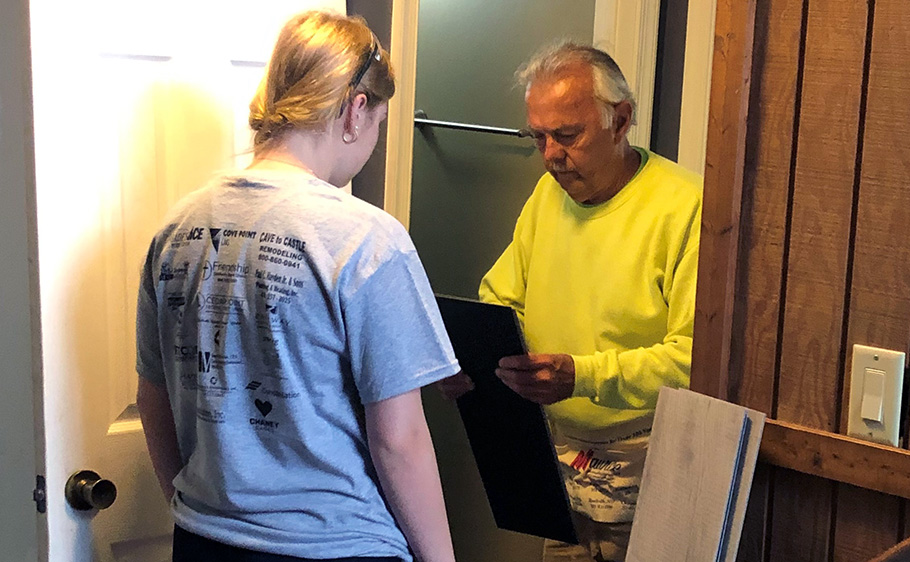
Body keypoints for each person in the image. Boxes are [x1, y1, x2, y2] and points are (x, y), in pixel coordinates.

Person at [136, 11, 458, 562]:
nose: (372, 140)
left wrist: (196, 509)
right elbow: (398, 440)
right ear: (356, 112)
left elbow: (153, 398)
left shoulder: (177, 230)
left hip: (204, 541)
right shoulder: (366, 240)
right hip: (336, 546)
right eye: (379, 123)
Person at [439, 42, 702, 562]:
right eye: (538, 137)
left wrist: (582, 376)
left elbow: (697, 359)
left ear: (620, 120)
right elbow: (502, 300)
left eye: (567, 135)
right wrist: (471, 359)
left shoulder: (687, 205)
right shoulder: (548, 195)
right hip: (560, 464)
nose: (551, 155)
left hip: (653, 469)